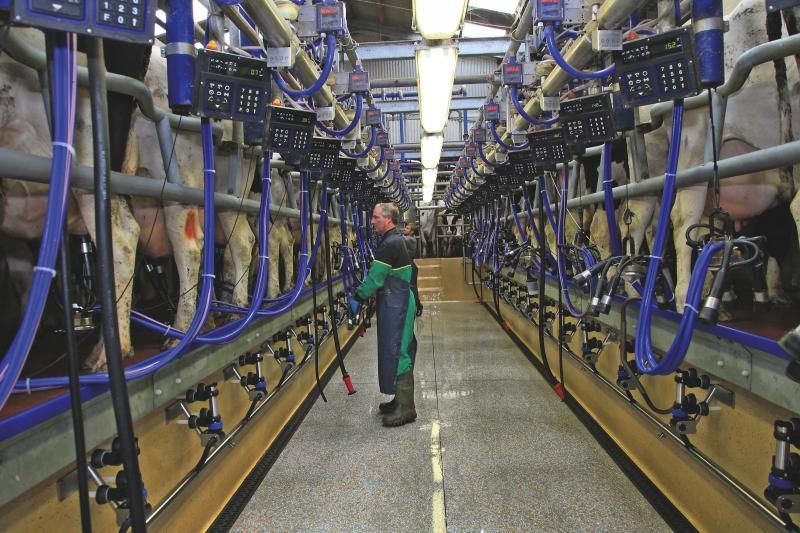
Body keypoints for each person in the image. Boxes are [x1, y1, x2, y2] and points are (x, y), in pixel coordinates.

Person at [350, 204, 417, 427]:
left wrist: (358, 297)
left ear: (388, 219)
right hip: (397, 301)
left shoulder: (390, 244)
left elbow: (375, 279)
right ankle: (399, 400)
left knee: (399, 351)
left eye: (375, 217)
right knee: (394, 350)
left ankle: (406, 409)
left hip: (398, 304)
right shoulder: (393, 240)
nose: (372, 221)